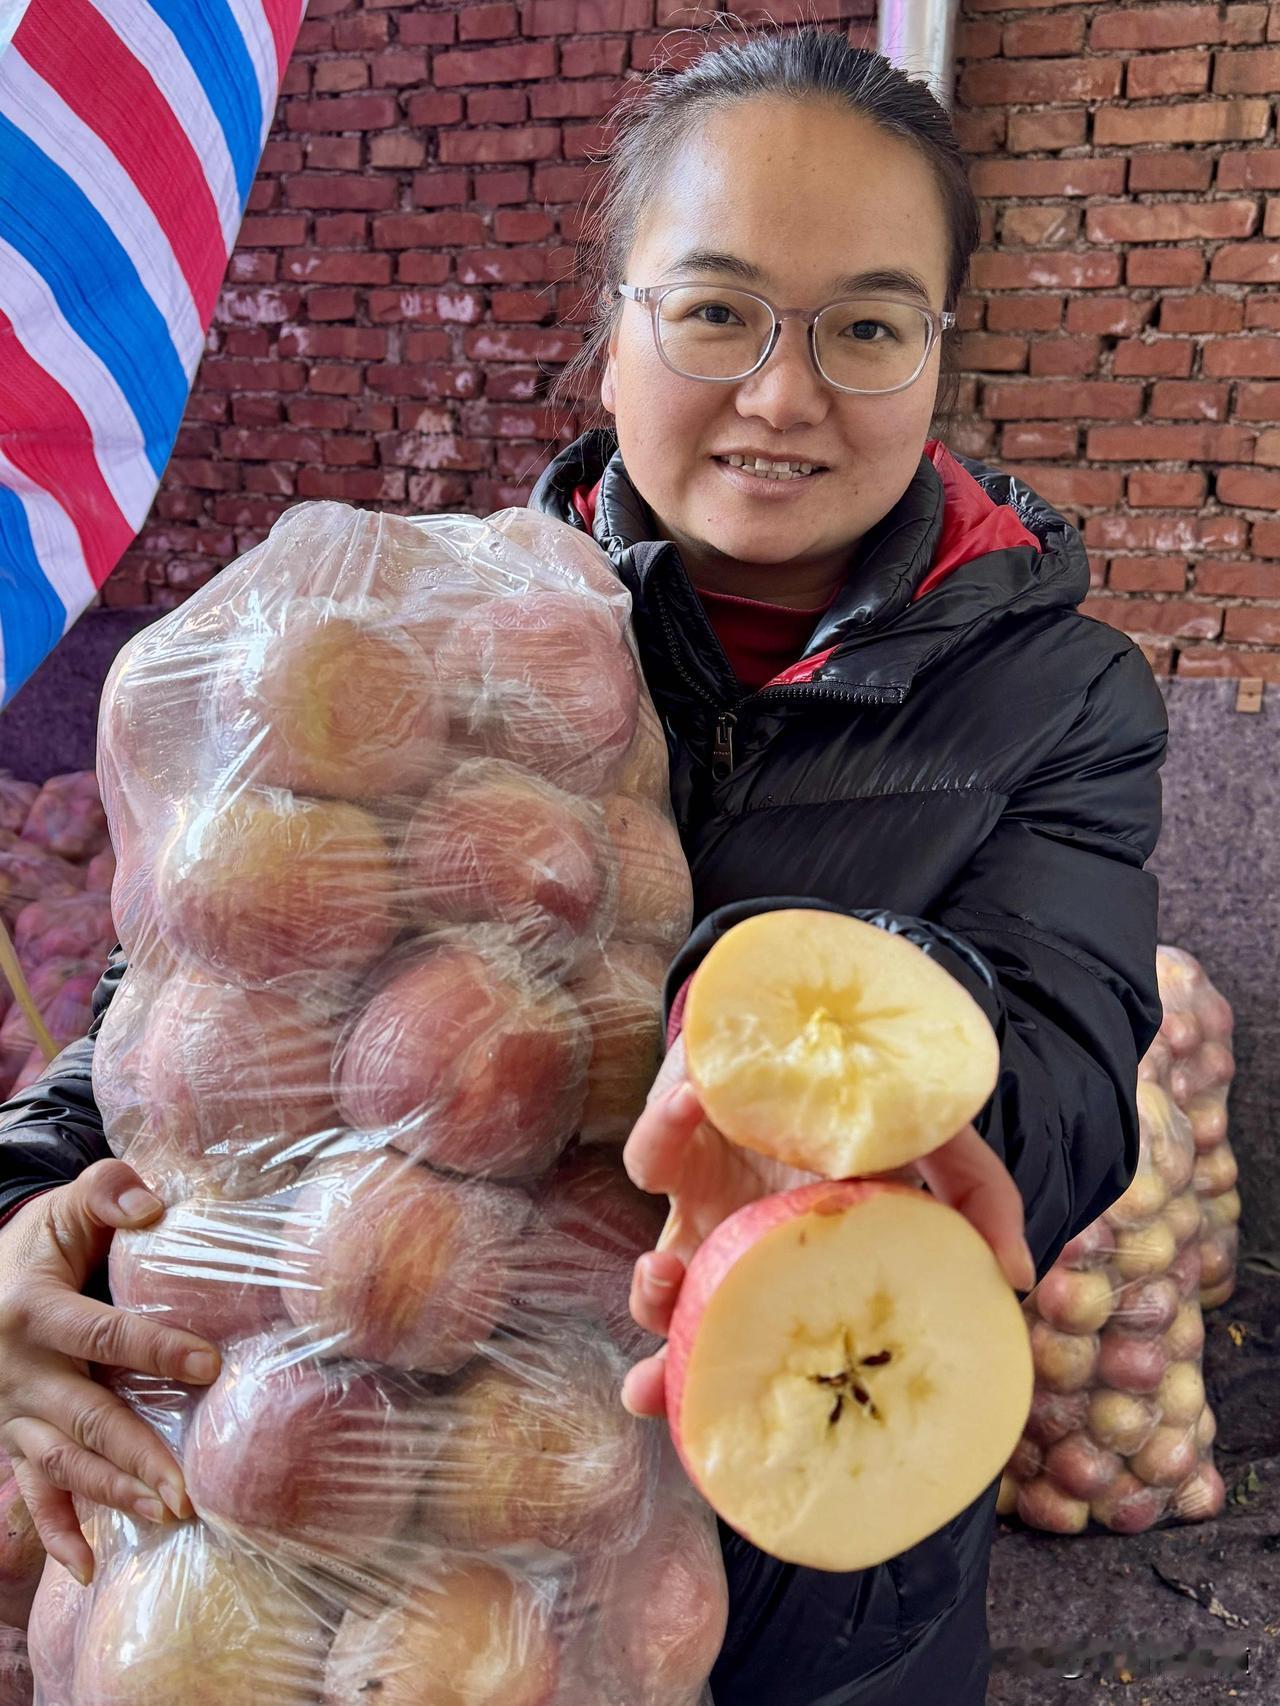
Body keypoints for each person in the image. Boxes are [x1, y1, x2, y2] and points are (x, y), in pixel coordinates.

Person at [0, 26, 1165, 1705]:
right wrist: (15, 1221)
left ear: (937, 354)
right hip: (410, 1572)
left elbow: (1063, 1082)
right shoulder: (433, 642)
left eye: (867, 326)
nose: (784, 394)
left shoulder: (1062, 693)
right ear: (611, 337)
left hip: (816, 1605)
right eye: (715, 311)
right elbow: (182, 1012)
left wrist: (807, 1069)